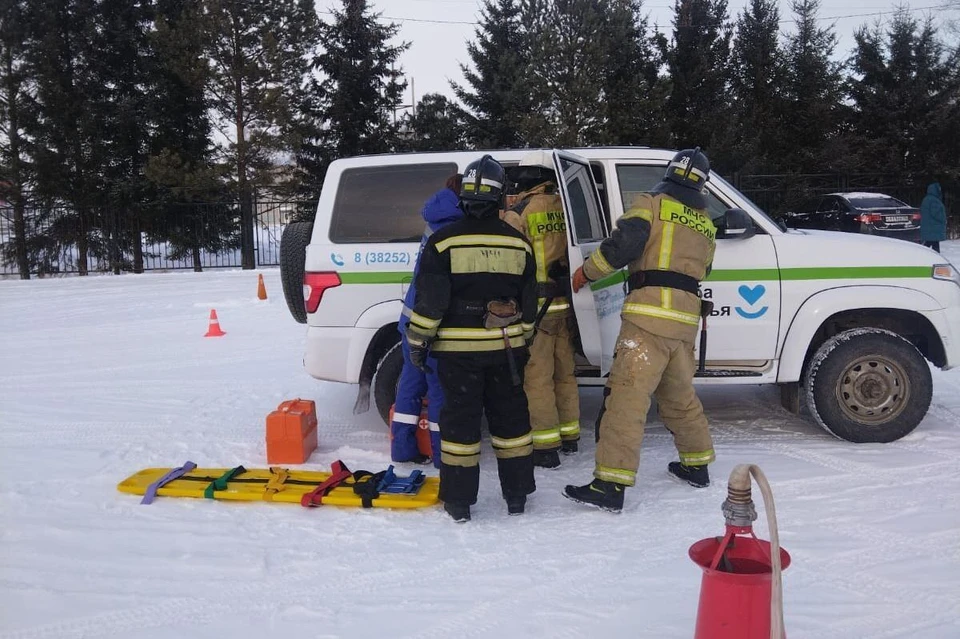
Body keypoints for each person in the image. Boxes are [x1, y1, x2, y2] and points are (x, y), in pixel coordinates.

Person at [563, 148, 717, 513]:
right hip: (684, 322)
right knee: (679, 396)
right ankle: (696, 465)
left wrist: (587, 271)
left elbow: (622, 247)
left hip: (648, 318)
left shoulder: (650, 204)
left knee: (627, 399)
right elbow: (704, 271)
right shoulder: (705, 223)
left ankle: (610, 485)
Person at [405, 155, 538, 523]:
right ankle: (517, 496)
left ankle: (460, 502)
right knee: (512, 423)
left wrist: (417, 342)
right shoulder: (519, 244)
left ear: (463, 197)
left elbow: (430, 303)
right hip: (506, 352)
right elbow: (530, 303)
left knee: (460, 426)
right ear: (500, 198)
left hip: (457, 356)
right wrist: (523, 340)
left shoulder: (443, 242)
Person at [502, 152, 580, 469]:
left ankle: (546, 447)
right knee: (565, 373)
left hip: (536, 308)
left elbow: (508, 264)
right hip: (564, 304)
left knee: (537, 379)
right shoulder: (566, 207)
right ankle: (571, 436)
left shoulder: (519, 213)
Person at [392, 174, 464, 467]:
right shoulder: (454, 227)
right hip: (431, 324)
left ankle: (402, 450)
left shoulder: (437, 216)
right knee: (438, 391)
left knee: (410, 386)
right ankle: (440, 456)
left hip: (410, 319)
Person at [920, 182, 946, 253]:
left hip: (929, 227)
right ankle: (935, 257)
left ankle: (933, 256)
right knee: (932, 243)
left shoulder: (926, 199)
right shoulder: (934, 200)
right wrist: (943, 220)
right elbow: (937, 213)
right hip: (934, 226)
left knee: (931, 243)